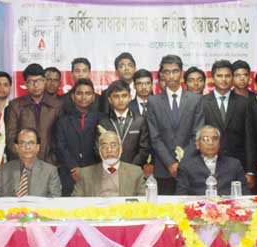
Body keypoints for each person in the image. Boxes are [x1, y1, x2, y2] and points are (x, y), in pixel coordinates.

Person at [146, 55, 205, 194]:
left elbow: (197, 135)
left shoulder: (195, 100)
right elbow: (154, 137)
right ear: (161, 75)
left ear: (181, 73)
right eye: (167, 72)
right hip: (163, 169)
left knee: (190, 211)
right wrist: (170, 163)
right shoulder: (153, 101)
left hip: (191, 167)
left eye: (175, 71)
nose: (171, 76)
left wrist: (182, 163)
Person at [201, 60, 254, 180]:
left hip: (238, 165)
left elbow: (249, 139)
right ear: (212, 78)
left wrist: (250, 171)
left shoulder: (244, 103)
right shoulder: (202, 102)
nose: (224, 80)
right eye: (219, 76)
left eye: (227, 76)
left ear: (232, 78)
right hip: (208, 164)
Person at [5, 63, 62, 165]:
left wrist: (52, 160)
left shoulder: (56, 105)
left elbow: (60, 138)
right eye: (31, 82)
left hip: (50, 165)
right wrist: (26, 158)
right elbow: (11, 138)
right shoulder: (15, 106)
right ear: (25, 84)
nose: (35, 85)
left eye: (39, 81)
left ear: (44, 81)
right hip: (22, 164)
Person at [55, 79, 101, 196]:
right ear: (72, 97)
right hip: (69, 174)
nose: (83, 97)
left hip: (95, 172)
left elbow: (102, 147)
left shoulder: (101, 119)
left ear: (93, 97)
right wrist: (74, 167)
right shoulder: (62, 121)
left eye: (88, 93)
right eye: (79, 93)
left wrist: (87, 171)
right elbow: (61, 147)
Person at [0, 128, 62, 197]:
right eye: (22, 143)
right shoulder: (4, 170)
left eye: (31, 143)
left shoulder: (50, 171)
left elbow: (54, 199)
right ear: (16, 147)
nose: (27, 147)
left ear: (38, 147)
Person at [176, 126, 247, 196]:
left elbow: (246, 195)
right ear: (197, 144)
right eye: (206, 139)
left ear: (219, 143)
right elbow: (180, 197)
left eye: (215, 139)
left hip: (228, 206)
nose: (211, 143)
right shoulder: (186, 166)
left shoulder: (234, 164)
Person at [73, 131, 146, 197]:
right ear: (100, 151)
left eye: (113, 145)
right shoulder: (85, 174)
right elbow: (75, 203)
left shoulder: (136, 173)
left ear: (121, 149)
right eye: (104, 146)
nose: (109, 150)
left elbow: (144, 202)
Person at [98, 80, 150, 167]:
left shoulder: (140, 120)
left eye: (124, 96)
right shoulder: (103, 122)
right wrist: (112, 165)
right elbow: (98, 148)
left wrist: (130, 169)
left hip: (133, 170)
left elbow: (144, 149)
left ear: (130, 97)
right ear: (110, 100)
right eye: (116, 96)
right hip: (110, 169)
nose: (120, 100)